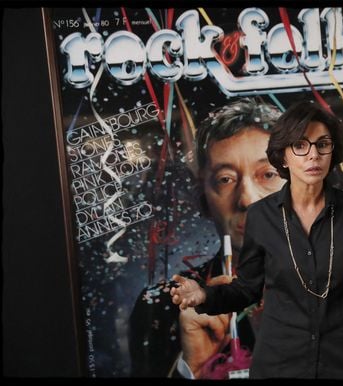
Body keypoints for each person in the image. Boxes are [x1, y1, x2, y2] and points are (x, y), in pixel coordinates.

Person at [169, 100, 343, 379]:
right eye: (300, 146)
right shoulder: (262, 217)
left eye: (322, 144)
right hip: (281, 364)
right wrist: (204, 296)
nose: (313, 155)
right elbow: (246, 290)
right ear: (283, 156)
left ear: (332, 152)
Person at [129, 98, 285, 378]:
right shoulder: (164, 305)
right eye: (225, 179)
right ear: (204, 196)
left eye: (268, 174)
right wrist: (192, 368)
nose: (248, 199)